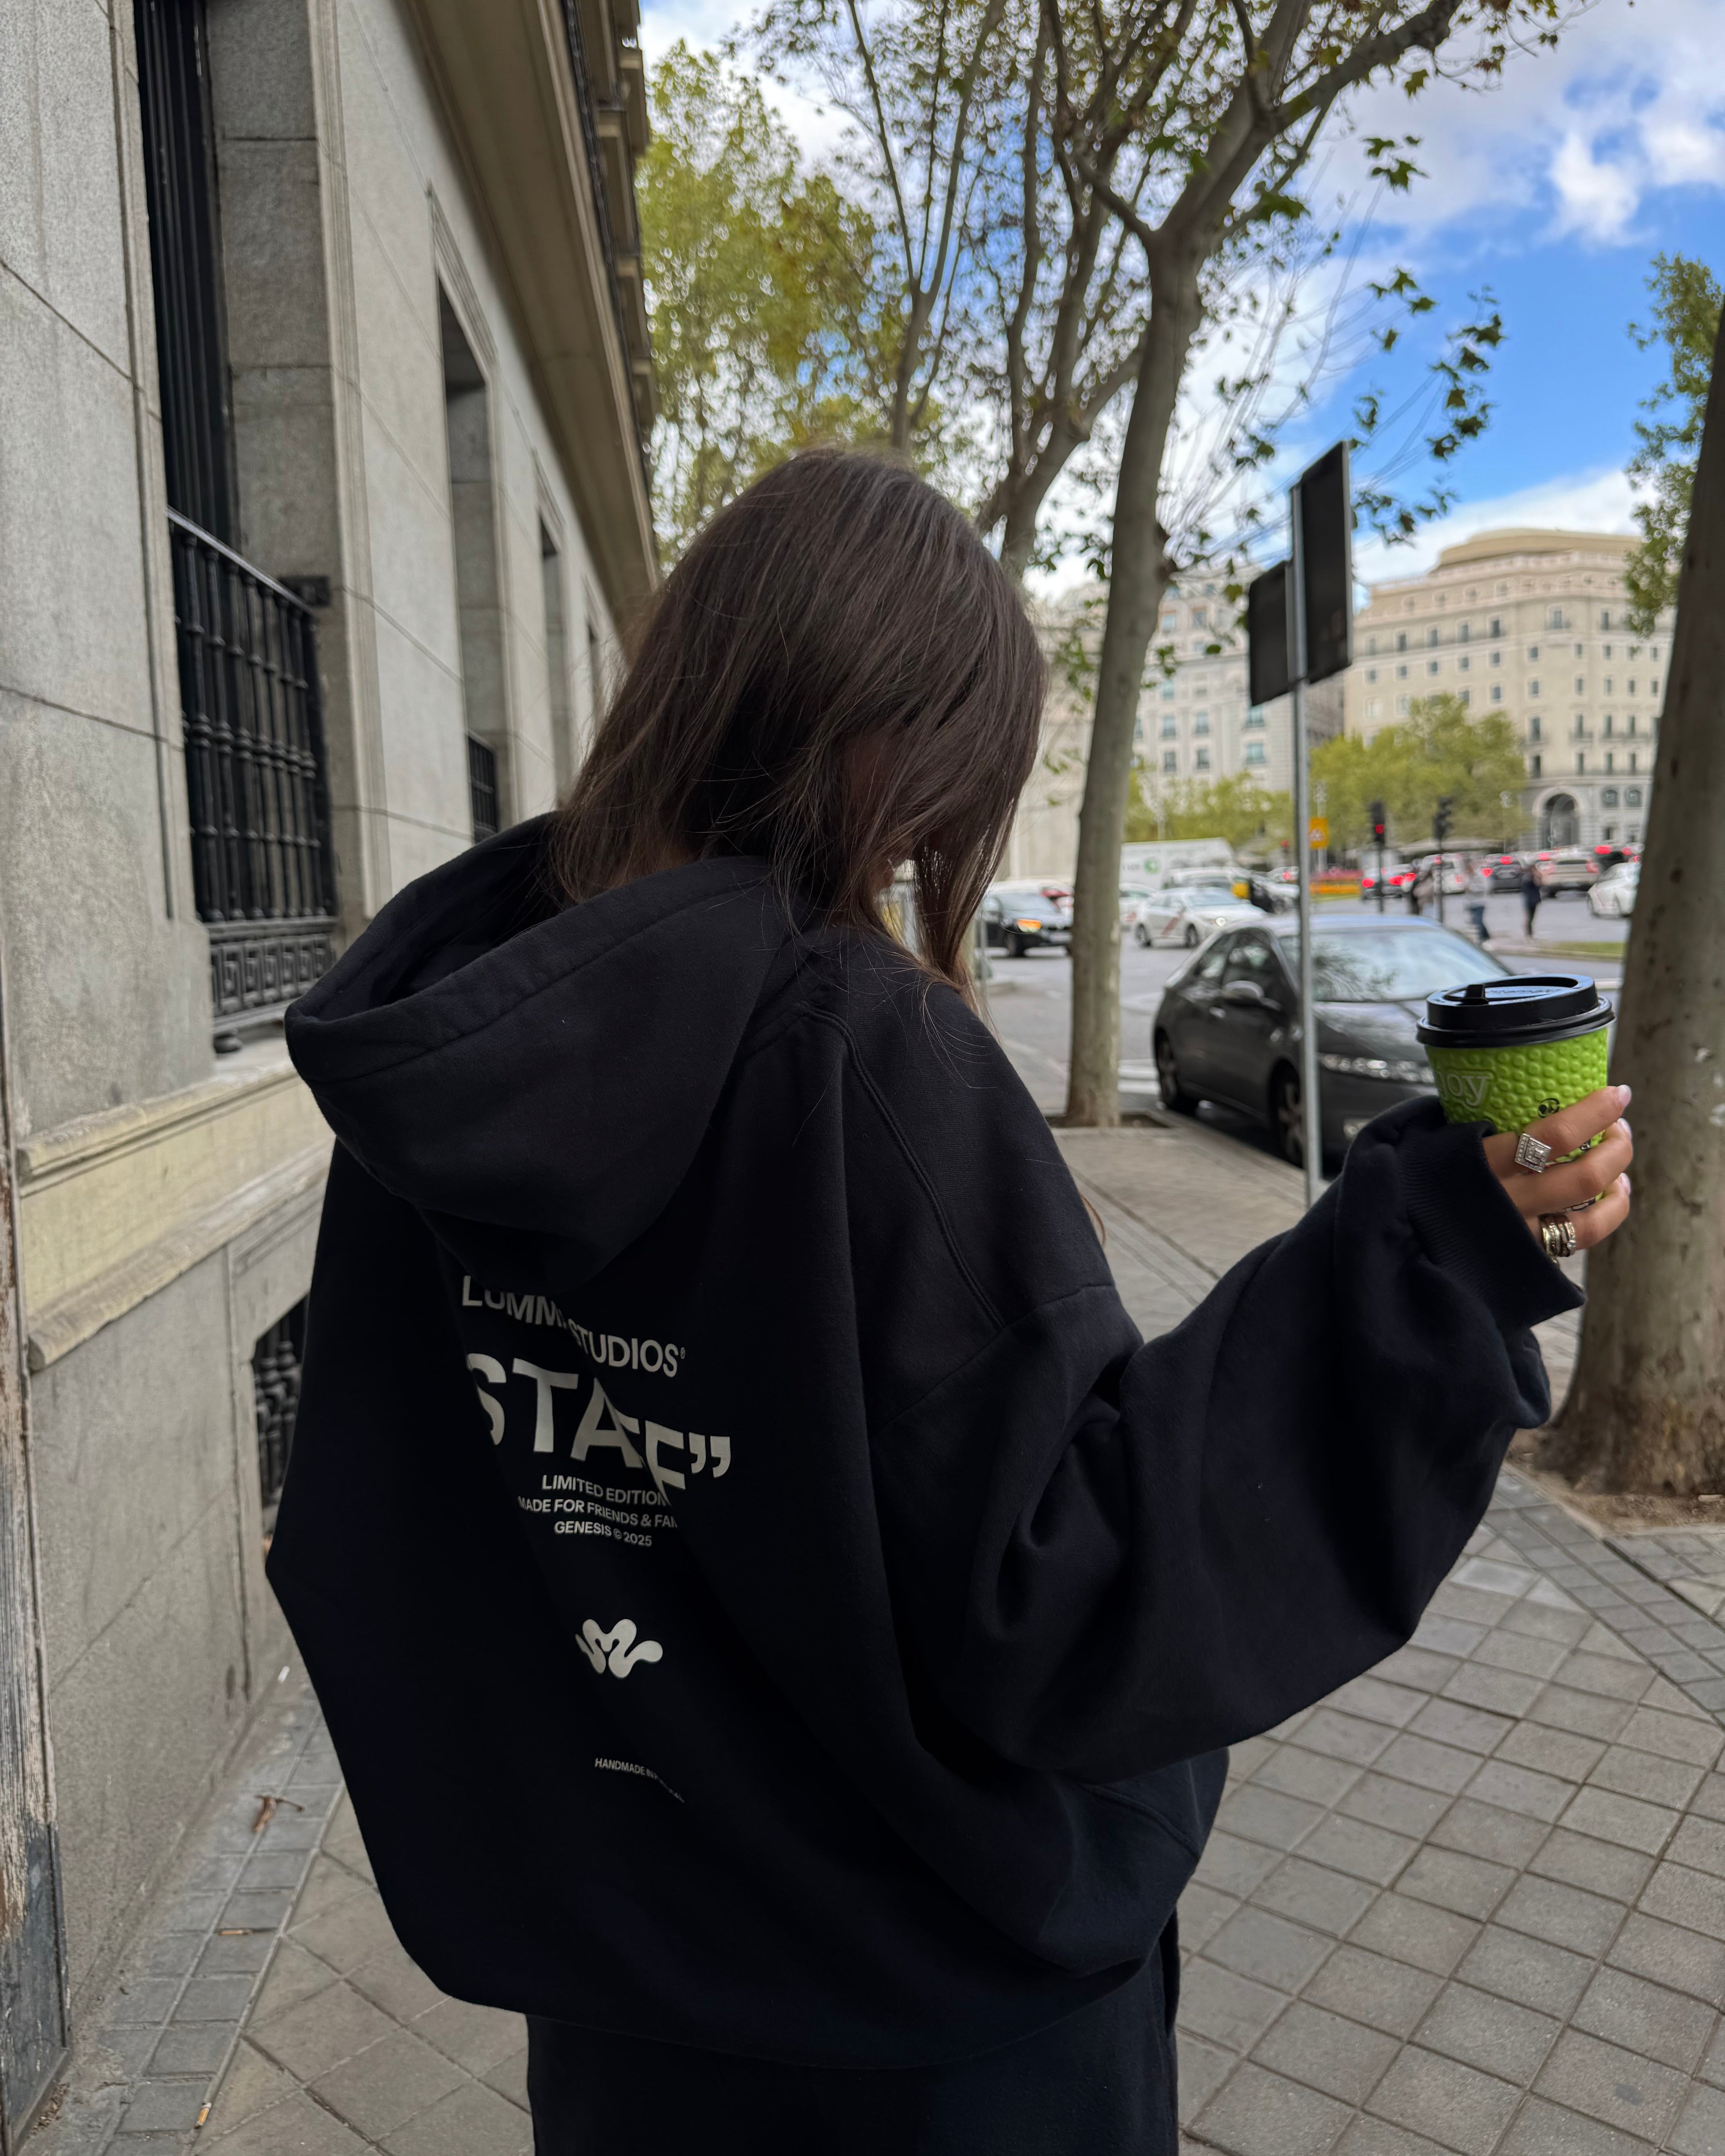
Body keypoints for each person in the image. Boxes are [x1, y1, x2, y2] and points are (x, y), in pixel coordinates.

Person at [271, 451, 1632, 2156]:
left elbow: (381, 1518)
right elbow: (1068, 1596)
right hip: (926, 2035)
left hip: (625, 2003)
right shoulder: (852, 1046)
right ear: (900, 747)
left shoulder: (451, 1054)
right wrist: (1429, 1252)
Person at [1521, 861, 1542, 936]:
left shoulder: (1535, 877)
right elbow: (1526, 888)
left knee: (1532, 918)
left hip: (1534, 900)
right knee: (1530, 918)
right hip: (1530, 900)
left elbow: (1540, 886)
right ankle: (1529, 934)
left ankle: (1530, 933)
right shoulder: (1528, 877)